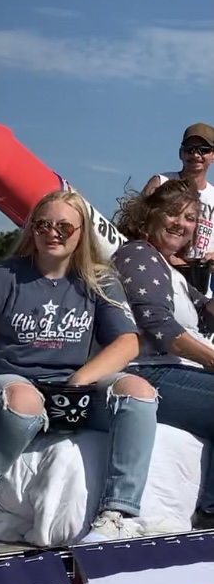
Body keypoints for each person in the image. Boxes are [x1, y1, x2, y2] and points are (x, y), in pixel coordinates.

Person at [0, 189, 164, 543]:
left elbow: (127, 342)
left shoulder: (99, 280)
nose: (53, 233)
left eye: (65, 227)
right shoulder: (3, 276)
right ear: (31, 230)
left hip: (72, 388)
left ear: (82, 233)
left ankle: (118, 512)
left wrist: (77, 382)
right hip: (14, 379)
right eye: (43, 225)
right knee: (23, 402)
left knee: (138, 392)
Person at [113, 179, 214, 528]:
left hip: (173, 371)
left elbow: (203, 312)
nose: (180, 223)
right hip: (147, 371)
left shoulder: (171, 269)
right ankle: (211, 512)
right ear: (149, 215)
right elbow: (158, 326)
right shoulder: (138, 254)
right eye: (172, 213)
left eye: (189, 218)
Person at [142, 122, 214, 293]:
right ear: (180, 153)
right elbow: (137, 226)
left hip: (199, 285)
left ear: (212, 155)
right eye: (190, 149)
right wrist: (170, 257)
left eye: (203, 149)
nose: (196, 154)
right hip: (157, 275)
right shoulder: (160, 182)